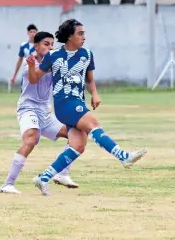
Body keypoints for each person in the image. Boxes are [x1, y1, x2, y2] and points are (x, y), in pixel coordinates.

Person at [27, 19, 147, 196]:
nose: (84, 37)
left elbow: (89, 79)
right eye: (80, 33)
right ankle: (123, 157)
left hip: (78, 102)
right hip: (64, 102)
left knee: (77, 146)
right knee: (93, 124)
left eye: (84, 33)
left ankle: (43, 178)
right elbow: (34, 78)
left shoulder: (87, 54)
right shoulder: (53, 56)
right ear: (69, 36)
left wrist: (95, 94)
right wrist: (31, 66)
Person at [0, 31, 82, 194]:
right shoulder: (29, 63)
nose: (50, 47)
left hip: (45, 111)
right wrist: (34, 66)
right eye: (46, 44)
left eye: (52, 44)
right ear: (36, 46)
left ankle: (62, 174)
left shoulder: (54, 62)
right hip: (28, 108)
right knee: (31, 139)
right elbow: (33, 78)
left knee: (76, 134)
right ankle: (8, 184)